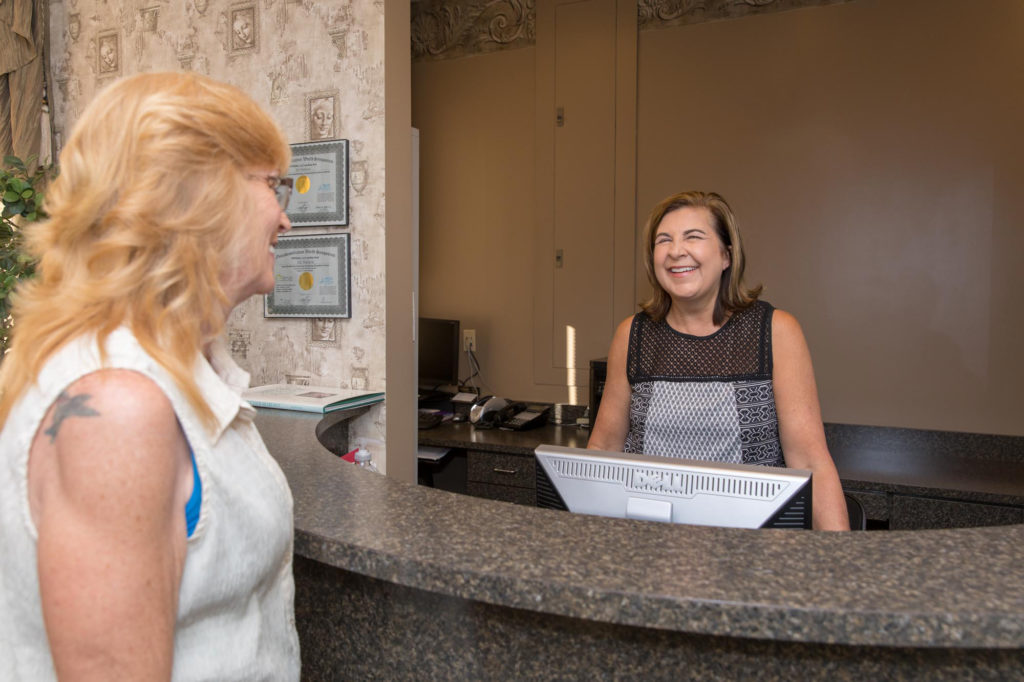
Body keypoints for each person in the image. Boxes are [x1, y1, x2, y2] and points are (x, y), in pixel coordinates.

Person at [0, 72, 301, 679]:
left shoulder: (170, 368)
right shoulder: (113, 409)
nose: (284, 219)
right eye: (273, 185)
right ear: (200, 193)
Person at [588, 191, 849, 531]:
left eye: (693, 237)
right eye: (663, 240)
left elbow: (810, 459)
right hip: (648, 543)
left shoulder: (775, 331)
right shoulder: (632, 335)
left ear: (726, 255)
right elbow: (605, 448)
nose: (676, 251)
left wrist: (839, 559)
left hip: (753, 549)